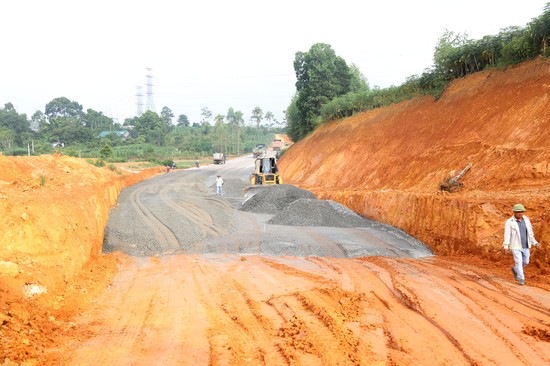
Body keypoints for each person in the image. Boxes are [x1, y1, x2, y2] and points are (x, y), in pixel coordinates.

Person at [503, 203, 540, 285]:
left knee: (526, 261)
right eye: (517, 212)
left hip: (526, 245)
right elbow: (507, 234)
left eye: (521, 212)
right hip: (515, 246)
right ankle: (521, 279)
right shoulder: (509, 222)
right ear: (514, 213)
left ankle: (515, 270)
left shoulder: (526, 220)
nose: (519, 213)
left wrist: (535, 242)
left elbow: (530, 233)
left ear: (523, 212)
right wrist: (506, 246)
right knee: (519, 261)